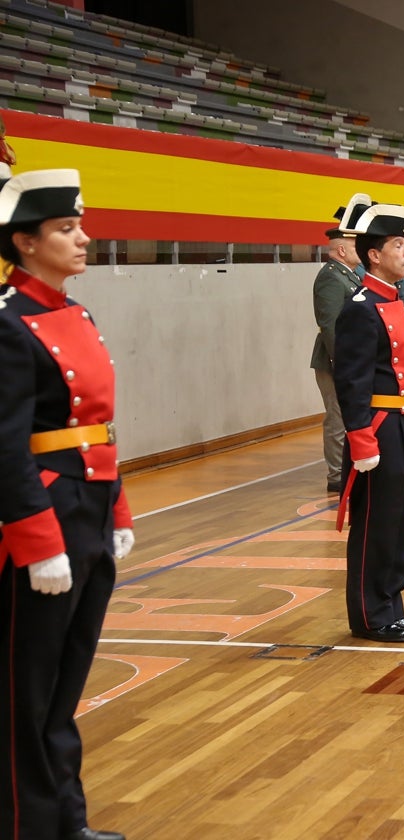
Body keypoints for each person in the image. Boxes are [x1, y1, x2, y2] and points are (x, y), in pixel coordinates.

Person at [0, 168, 134, 840]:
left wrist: (118, 512)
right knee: (27, 691)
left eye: (79, 226)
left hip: (88, 508)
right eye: (65, 229)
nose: (84, 239)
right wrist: (37, 539)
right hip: (47, 519)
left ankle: (62, 821)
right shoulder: (9, 325)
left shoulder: (75, 313)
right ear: (25, 242)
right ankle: (28, 825)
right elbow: (5, 445)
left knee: (64, 683)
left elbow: (99, 427)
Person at [334, 203, 404, 644]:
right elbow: (350, 381)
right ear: (374, 254)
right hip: (380, 424)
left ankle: (392, 603)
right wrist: (361, 440)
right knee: (375, 522)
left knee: (400, 520)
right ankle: (370, 614)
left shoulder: (392, 299)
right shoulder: (360, 306)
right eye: (397, 245)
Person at [311, 193, 372, 492]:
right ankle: (336, 474)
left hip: (351, 358)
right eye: (353, 245)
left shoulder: (349, 275)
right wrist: (344, 362)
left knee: (350, 414)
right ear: (340, 250)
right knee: (337, 418)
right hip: (335, 359)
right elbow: (331, 326)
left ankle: (349, 466)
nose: (359, 249)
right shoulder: (331, 279)